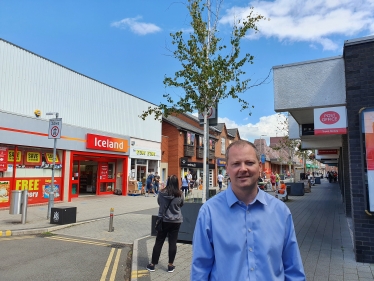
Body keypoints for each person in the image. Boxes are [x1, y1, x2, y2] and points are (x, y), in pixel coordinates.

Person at [191, 140, 305, 280]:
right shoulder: (209, 212)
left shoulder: (281, 212)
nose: (243, 169)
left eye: (249, 163)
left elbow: (293, 269)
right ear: (227, 168)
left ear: (260, 167)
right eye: (236, 164)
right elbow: (200, 269)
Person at [146, 175, 184, 273]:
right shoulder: (180, 194)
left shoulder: (162, 193)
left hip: (163, 220)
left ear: (168, 182)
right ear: (176, 183)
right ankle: (170, 265)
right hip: (176, 221)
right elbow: (181, 204)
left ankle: (152, 265)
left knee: (159, 241)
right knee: (172, 242)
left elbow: (159, 203)